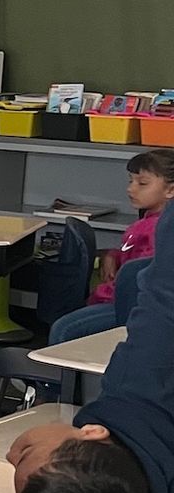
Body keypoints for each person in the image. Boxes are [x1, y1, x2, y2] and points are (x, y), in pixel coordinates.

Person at [7, 197, 174, 493]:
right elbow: (166, 296)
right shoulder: (142, 382)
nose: (11, 455)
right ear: (94, 433)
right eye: (24, 454)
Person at [48, 148, 174, 345]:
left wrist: (103, 295)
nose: (131, 189)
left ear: (171, 190)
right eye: (130, 181)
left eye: (142, 183)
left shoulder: (161, 229)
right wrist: (112, 255)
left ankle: (53, 376)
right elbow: (133, 256)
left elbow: (141, 277)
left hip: (129, 307)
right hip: (118, 300)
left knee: (64, 329)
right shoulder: (147, 222)